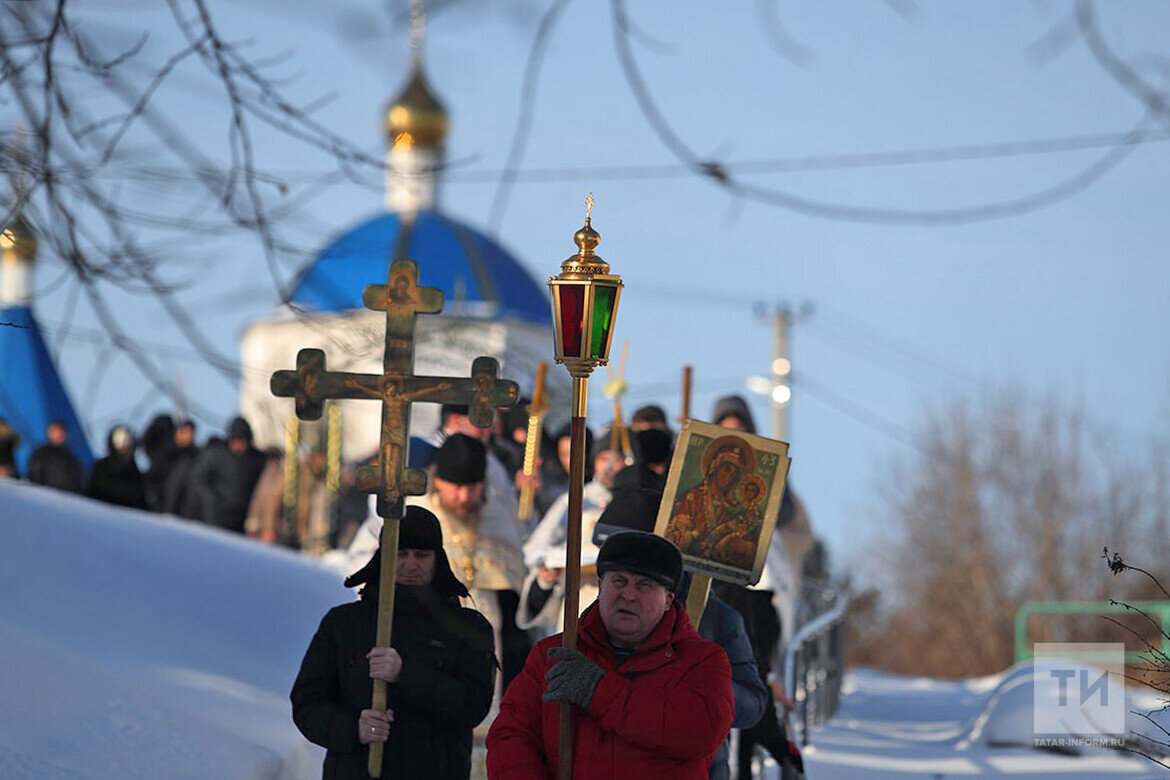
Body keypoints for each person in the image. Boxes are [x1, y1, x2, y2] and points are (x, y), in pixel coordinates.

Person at [485, 530, 734, 779]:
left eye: (644, 585)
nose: (628, 595)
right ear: (601, 586)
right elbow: (511, 736)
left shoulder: (702, 661)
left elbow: (699, 734)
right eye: (619, 581)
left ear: (668, 599)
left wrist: (599, 691)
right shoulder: (555, 655)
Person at [291, 506, 495, 779]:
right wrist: (352, 728)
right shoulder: (344, 624)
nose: (411, 565)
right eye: (401, 554)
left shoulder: (468, 628)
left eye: (421, 556)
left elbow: (473, 706)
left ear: (438, 559)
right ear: (384, 556)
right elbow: (307, 703)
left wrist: (405, 674)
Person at [347, 434, 530, 696]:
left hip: (484, 629)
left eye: (473, 487)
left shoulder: (496, 516)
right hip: (421, 623)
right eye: (456, 487)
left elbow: (516, 580)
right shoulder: (411, 512)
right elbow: (362, 559)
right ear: (438, 480)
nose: (465, 496)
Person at [517, 432, 625, 633]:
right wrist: (550, 569)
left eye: (617, 460)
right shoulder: (576, 499)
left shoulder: (637, 503)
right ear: (594, 461)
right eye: (603, 459)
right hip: (581, 598)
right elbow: (537, 549)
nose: (610, 467)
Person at [188, 416, 266, 532]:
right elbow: (199, 479)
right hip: (217, 518)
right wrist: (212, 500)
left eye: (242, 441)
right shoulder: (215, 455)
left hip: (245, 519)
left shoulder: (257, 460)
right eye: (235, 441)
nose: (238, 446)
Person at [87, 424, 147, 509]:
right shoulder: (102, 468)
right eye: (120, 443)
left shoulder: (135, 473)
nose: (124, 447)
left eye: (127, 443)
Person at [27, 419, 84, 493]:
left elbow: (78, 481)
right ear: (50, 433)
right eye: (57, 431)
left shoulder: (70, 457)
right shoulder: (41, 454)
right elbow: (35, 477)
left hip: (69, 498)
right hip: (48, 497)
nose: (60, 435)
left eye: (62, 432)